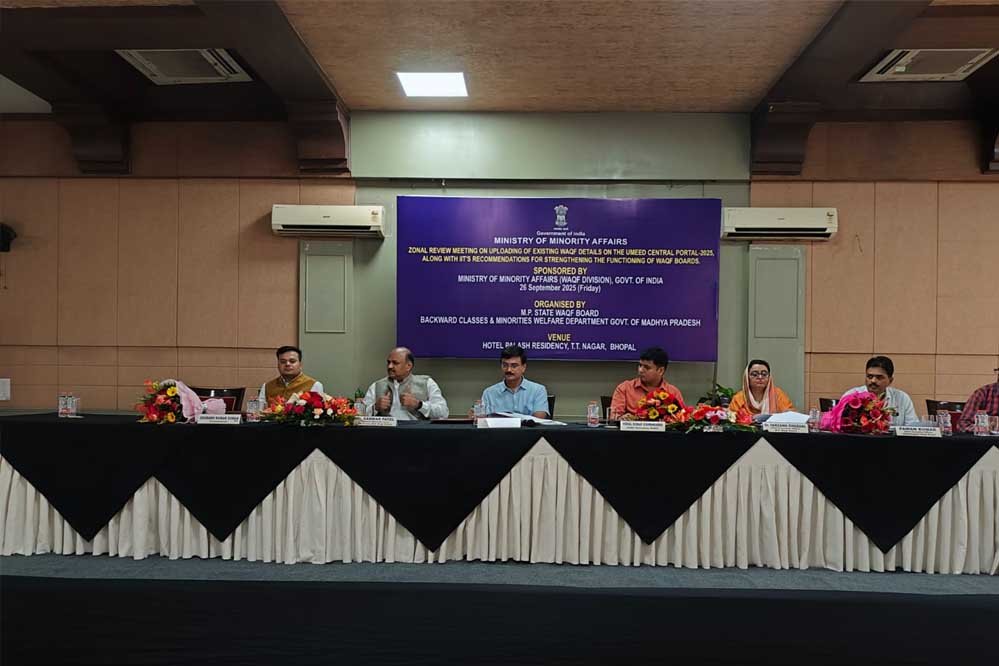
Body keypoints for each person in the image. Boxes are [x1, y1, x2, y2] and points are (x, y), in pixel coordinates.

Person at [362, 347, 449, 420]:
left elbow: (443, 413)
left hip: (416, 432)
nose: (390, 366)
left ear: (408, 366)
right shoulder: (376, 385)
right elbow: (360, 414)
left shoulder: (427, 383)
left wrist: (419, 405)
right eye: (388, 362)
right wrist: (375, 407)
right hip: (385, 432)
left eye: (395, 363)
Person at [840, 355, 918, 426]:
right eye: (870, 376)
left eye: (879, 377)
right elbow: (839, 425)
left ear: (890, 380)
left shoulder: (902, 398)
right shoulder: (851, 395)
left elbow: (913, 428)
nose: (873, 381)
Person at [610, 347, 684, 417]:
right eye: (640, 365)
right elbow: (614, 417)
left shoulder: (673, 392)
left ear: (660, 370)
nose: (641, 370)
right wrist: (623, 419)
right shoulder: (624, 388)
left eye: (647, 367)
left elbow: (681, 418)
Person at [480, 345, 549, 418]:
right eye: (505, 365)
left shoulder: (538, 390)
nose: (509, 370)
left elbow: (538, 419)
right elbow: (483, 420)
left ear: (523, 367)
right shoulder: (489, 393)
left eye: (514, 366)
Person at [258, 345, 324, 403]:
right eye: (283, 362)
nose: (287, 364)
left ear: (300, 364)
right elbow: (260, 411)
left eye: (292, 361)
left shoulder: (314, 385)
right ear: (278, 364)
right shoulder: (267, 387)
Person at [728, 359, 794, 416]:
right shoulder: (739, 398)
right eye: (755, 374)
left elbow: (790, 415)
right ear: (747, 377)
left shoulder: (778, 395)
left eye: (764, 374)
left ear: (769, 377)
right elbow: (731, 417)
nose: (760, 377)